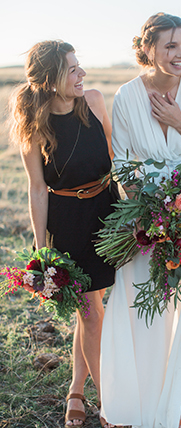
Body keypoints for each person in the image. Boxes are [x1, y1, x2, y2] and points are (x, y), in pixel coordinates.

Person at [99, 12, 181, 428]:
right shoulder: (128, 95)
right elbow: (122, 162)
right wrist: (151, 216)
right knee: (141, 303)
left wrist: (180, 122)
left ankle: (178, 396)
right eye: (170, 45)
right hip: (147, 216)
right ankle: (141, 395)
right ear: (148, 48)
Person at [9, 40, 119, 428]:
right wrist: (41, 250)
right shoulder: (34, 126)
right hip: (67, 221)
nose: (81, 75)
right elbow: (37, 189)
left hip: (107, 214)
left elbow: (115, 156)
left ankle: (76, 389)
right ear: (51, 79)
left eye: (79, 67)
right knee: (90, 312)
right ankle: (109, 402)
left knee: (92, 311)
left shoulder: (94, 101)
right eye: (72, 69)